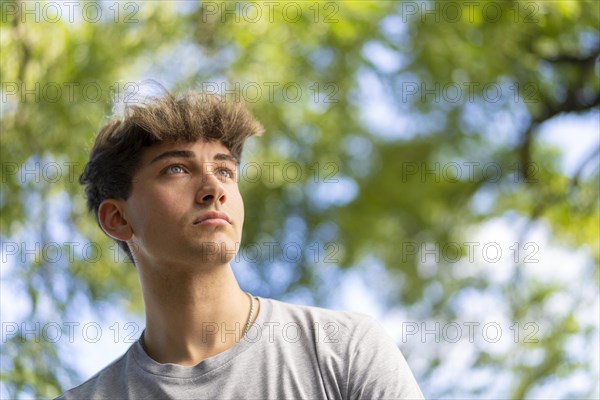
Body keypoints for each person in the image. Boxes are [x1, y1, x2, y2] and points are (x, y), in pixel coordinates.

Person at [58, 89, 424, 399]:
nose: (214, 189)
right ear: (117, 219)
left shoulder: (344, 349)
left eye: (224, 171)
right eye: (177, 169)